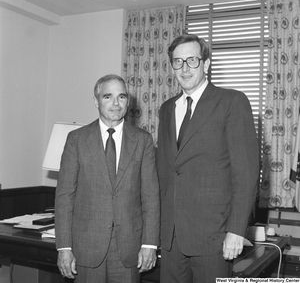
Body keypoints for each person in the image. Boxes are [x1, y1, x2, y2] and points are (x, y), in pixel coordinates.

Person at [156, 34, 260, 282]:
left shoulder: (232, 101)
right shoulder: (167, 108)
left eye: (192, 60)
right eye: (178, 61)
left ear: (206, 63)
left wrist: (236, 230)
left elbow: (245, 174)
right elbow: (165, 172)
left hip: (213, 236)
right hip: (171, 237)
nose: (184, 68)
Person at [55, 74, 160, 283]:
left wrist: (149, 245)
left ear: (127, 102)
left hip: (129, 250)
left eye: (121, 97)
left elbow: (150, 196)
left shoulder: (143, 141)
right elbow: (65, 196)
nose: (115, 103)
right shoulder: (76, 140)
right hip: (86, 249)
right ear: (96, 101)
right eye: (107, 97)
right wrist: (64, 248)